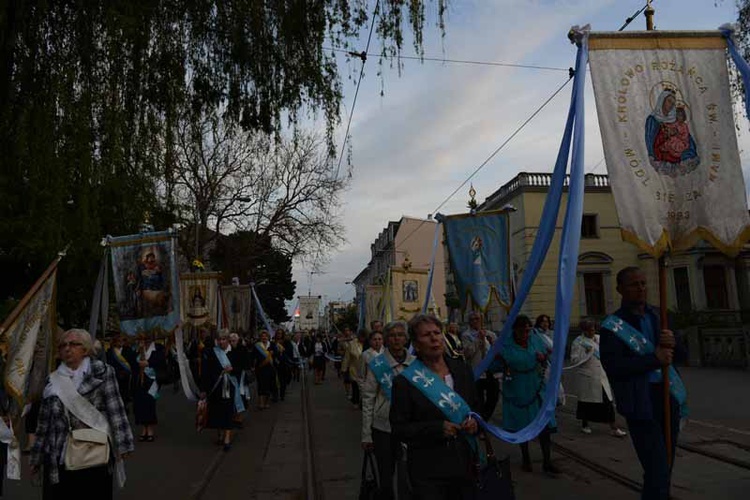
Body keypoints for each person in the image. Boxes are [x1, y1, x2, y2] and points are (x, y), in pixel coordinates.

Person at [600, 267, 687, 500]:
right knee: (656, 465)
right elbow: (614, 366)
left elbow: (682, 355)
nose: (640, 288)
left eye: (642, 283)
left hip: (667, 396)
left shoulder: (660, 315)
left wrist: (674, 342)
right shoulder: (613, 326)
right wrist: (653, 359)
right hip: (640, 400)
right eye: (633, 284)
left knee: (664, 465)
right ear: (620, 289)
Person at [30, 329, 134, 499]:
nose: (67, 348)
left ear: (85, 349)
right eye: (63, 345)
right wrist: (37, 456)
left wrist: (123, 444)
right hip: (58, 454)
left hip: (92, 454)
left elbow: (115, 409)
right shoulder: (52, 379)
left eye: (73, 344)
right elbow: (44, 422)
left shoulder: (103, 372)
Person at [390, 314, 480, 499]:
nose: (434, 338)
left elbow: (477, 409)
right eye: (426, 335)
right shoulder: (404, 382)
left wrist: (475, 423)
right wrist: (436, 428)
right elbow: (399, 428)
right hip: (428, 470)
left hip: (465, 463)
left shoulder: (462, 370)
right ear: (415, 344)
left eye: (437, 333)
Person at [496, 315, 559, 475]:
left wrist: (544, 357)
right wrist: (500, 360)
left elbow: (548, 355)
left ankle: (547, 461)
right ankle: (526, 459)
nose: (526, 332)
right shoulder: (505, 345)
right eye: (522, 329)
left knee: (544, 427)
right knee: (522, 426)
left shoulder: (535, 340)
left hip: (537, 388)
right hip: (517, 390)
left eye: (528, 329)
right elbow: (494, 365)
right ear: (515, 330)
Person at [361, 321, 415, 500]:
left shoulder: (415, 364)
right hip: (383, 427)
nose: (397, 339)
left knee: (410, 473)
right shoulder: (377, 364)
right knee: (386, 475)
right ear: (386, 339)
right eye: (392, 335)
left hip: (411, 427)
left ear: (406, 338)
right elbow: (368, 399)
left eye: (400, 335)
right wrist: (366, 434)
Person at [570, 318, 627, 437]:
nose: (592, 332)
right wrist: (587, 353)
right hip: (588, 377)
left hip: (601, 375)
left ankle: (613, 427)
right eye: (589, 330)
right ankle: (585, 424)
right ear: (584, 331)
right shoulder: (578, 342)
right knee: (586, 403)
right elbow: (574, 361)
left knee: (607, 402)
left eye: (593, 329)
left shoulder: (599, 338)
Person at [200, 331, 244, 451]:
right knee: (218, 412)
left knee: (228, 411)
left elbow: (241, 367)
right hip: (216, 387)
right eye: (219, 339)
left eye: (224, 339)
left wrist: (232, 369)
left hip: (230, 388)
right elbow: (205, 371)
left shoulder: (234, 352)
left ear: (228, 340)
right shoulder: (212, 352)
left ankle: (227, 438)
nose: (221, 342)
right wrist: (203, 389)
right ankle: (220, 434)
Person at [461, 311, 498, 420]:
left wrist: (492, 343)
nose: (475, 321)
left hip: (491, 370)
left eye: (477, 319)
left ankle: (484, 419)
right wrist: (478, 340)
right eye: (472, 319)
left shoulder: (490, 334)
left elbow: (497, 351)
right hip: (476, 371)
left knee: (494, 397)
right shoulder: (466, 335)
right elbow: (468, 353)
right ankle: (480, 423)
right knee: (478, 399)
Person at [133, 333, 166, 442]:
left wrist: (148, 363)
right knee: (140, 405)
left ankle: (150, 429)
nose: (146, 340)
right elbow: (132, 362)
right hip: (140, 381)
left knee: (150, 404)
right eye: (144, 338)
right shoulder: (137, 349)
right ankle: (143, 428)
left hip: (152, 381)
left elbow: (161, 362)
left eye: (148, 338)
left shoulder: (158, 349)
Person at [532, 314, 565, 406]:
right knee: (546, 386)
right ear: (539, 323)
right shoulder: (536, 334)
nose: (545, 324)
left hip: (554, 363)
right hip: (544, 365)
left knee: (557, 386)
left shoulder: (551, 333)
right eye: (543, 321)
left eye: (547, 321)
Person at [251, 330, 277, 409]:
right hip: (260, 368)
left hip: (270, 368)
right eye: (262, 336)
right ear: (260, 337)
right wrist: (252, 366)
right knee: (261, 385)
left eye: (265, 336)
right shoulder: (257, 345)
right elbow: (253, 356)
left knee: (268, 385)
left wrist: (273, 353)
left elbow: (276, 353)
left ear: (268, 337)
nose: (264, 337)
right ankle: (261, 403)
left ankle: (266, 402)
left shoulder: (272, 345)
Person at [106, 336, 133, 408]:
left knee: (124, 392)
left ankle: (124, 406)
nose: (120, 342)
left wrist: (125, 372)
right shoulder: (110, 352)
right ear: (115, 342)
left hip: (125, 375)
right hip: (115, 375)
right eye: (118, 341)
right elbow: (110, 363)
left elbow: (131, 362)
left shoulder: (128, 350)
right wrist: (117, 372)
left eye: (122, 341)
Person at [342, 328, 366, 408]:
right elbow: (347, 357)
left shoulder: (368, 344)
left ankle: (363, 401)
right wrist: (344, 369)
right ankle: (355, 401)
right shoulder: (352, 344)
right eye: (361, 337)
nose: (362, 339)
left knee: (364, 387)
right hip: (354, 369)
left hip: (366, 369)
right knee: (355, 385)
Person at [273, 329, 291, 401]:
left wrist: (283, 351)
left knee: (282, 380)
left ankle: (282, 394)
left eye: (280, 333)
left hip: (283, 364)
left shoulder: (286, 342)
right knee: (274, 380)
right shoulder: (273, 342)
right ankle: (275, 395)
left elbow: (289, 352)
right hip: (275, 363)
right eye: (278, 333)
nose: (279, 335)